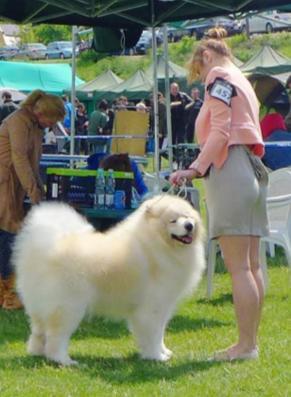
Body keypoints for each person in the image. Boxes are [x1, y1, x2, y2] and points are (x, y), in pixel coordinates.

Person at [169, 28, 269, 361]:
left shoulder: (219, 78)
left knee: (238, 267)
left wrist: (194, 168)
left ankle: (245, 346)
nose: (201, 80)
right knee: (252, 266)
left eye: (198, 73)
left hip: (231, 170)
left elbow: (220, 132)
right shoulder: (243, 81)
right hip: (253, 169)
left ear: (206, 58)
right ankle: (250, 343)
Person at [0, 89, 65, 310]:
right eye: (52, 120)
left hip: (15, 185)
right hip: (6, 184)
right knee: (8, 235)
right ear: (41, 113)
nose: (52, 125)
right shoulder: (18, 122)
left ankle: (10, 291)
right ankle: (8, 295)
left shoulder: (34, 125)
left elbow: (32, 162)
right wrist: (34, 191)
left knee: (10, 236)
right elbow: (19, 159)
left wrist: (39, 188)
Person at [170, 82, 192, 146]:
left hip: (182, 120)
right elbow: (167, 105)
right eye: (173, 89)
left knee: (181, 137)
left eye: (176, 88)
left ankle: (180, 153)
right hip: (172, 120)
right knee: (172, 137)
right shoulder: (168, 96)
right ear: (170, 89)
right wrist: (179, 103)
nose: (175, 90)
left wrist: (187, 107)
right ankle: (173, 153)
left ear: (178, 89)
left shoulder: (183, 95)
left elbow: (191, 102)